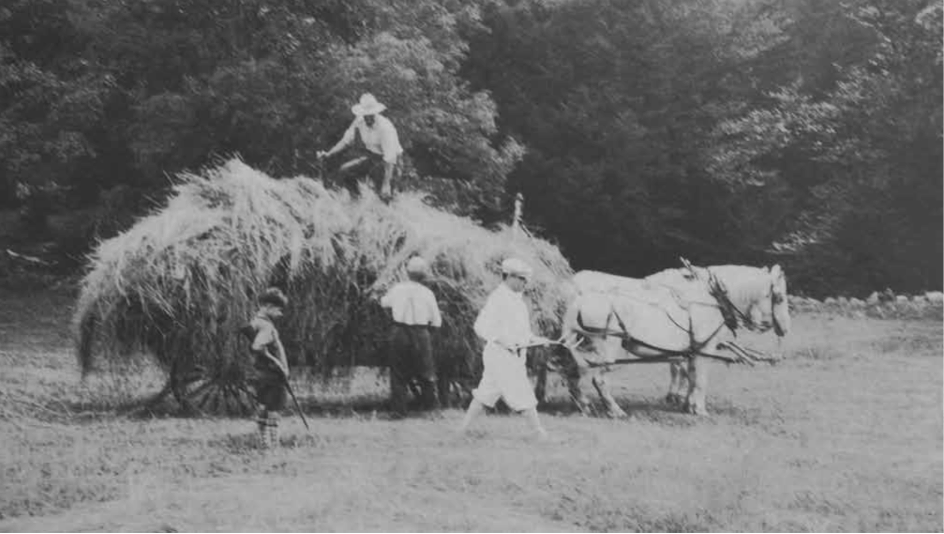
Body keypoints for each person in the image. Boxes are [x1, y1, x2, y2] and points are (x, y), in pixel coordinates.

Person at [457, 258, 550, 439]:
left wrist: (537, 339)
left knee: (485, 394)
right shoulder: (498, 299)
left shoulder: (518, 302)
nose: (525, 283)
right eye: (522, 279)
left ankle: (462, 430)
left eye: (526, 279)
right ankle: (538, 433)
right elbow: (480, 326)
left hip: (510, 356)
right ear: (510, 277)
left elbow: (523, 333)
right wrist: (502, 341)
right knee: (522, 392)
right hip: (501, 356)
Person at [380, 256, 443, 417]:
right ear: (423, 275)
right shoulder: (428, 293)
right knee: (427, 372)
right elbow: (437, 321)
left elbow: (384, 303)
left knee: (398, 373)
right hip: (421, 333)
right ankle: (432, 410)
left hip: (399, 332)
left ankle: (399, 411)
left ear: (407, 273)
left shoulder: (397, 289)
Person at [317, 93, 403, 202]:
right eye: (366, 115)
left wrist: (386, 184)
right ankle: (356, 200)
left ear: (376, 113)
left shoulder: (385, 128)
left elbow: (390, 158)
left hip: (391, 163)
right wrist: (329, 153)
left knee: (383, 193)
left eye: (371, 115)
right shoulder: (359, 121)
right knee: (345, 171)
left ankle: (390, 209)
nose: (368, 118)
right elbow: (346, 141)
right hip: (373, 157)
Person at [244, 287, 291, 449]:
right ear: (268, 306)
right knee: (274, 411)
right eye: (278, 310)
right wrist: (277, 363)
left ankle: (264, 445)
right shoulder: (267, 327)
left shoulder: (255, 322)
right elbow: (258, 346)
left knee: (263, 407)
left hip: (261, 374)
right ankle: (273, 447)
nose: (280, 314)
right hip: (273, 376)